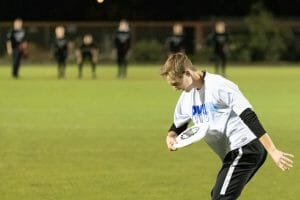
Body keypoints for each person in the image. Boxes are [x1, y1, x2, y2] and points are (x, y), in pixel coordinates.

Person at [161, 53, 294, 200]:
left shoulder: (218, 85)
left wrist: (273, 150)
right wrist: (171, 135)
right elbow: (179, 123)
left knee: (221, 197)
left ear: (187, 73)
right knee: (220, 195)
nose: (175, 88)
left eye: (176, 83)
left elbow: (248, 115)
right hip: (232, 153)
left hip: (246, 147)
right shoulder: (187, 97)